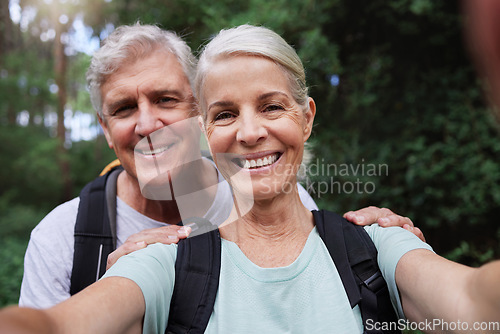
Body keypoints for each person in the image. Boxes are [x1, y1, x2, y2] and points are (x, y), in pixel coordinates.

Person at [2, 24, 498, 334]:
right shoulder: (89, 243)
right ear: (107, 133)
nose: (149, 124)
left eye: (166, 100)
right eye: (125, 109)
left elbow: (472, 306)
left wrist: (378, 239)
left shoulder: (358, 244)